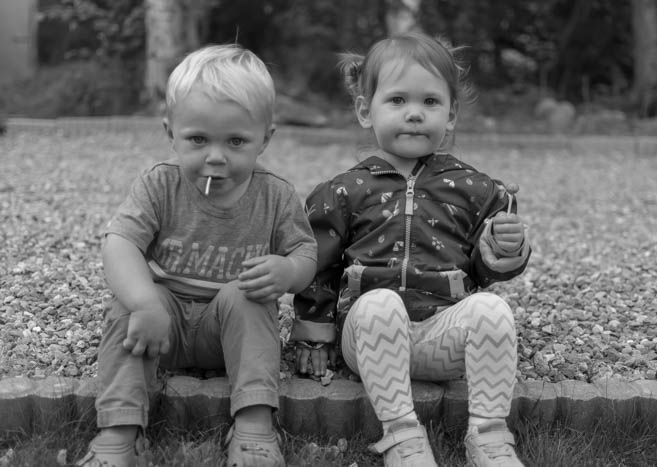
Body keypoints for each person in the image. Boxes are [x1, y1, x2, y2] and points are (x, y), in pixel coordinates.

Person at [292, 32, 531, 467]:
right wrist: (313, 330)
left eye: (430, 102)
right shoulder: (344, 190)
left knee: (493, 309)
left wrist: (505, 248)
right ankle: (403, 436)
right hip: (370, 339)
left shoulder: (475, 188)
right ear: (366, 111)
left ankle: (489, 436)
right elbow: (318, 264)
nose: (415, 113)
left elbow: (486, 269)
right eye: (398, 100)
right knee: (378, 303)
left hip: (443, 336)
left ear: (451, 115)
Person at [77, 44, 317, 467]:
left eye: (236, 141)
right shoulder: (160, 184)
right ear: (171, 133)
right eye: (198, 139)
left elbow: (305, 251)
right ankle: (119, 430)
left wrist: (289, 270)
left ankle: (254, 426)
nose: (216, 157)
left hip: (228, 333)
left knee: (250, 296)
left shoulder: (275, 195)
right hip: (159, 326)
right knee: (125, 307)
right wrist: (145, 303)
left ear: (265, 139)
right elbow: (120, 243)